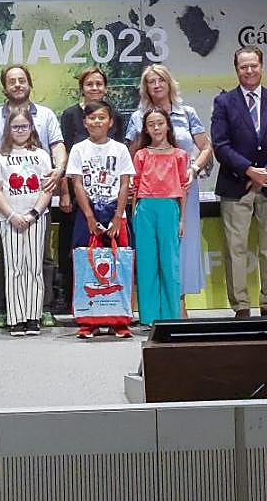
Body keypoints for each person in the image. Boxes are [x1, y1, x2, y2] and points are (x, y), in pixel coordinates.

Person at [211, 47, 267, 319]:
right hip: (236, 185)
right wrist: (249, 171)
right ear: (236, 69)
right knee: (235, 248)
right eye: (243, 67)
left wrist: (266, 172)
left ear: (262, 66)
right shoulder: (224, 103)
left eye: (253, 66)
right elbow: (221, 145)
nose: (249, 71)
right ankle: (241, 307)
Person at [0, 64, 66, 328]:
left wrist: (58, 170)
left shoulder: (46, 115)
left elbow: (58, 146)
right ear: (4, 87)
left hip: (38, 205)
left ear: (29, 83)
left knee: (42, 258)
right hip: (7, 204)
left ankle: (42, 308)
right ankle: (10, 310)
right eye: (12, 81)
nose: (17, 84)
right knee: (8, 257)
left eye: (22, 80)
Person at [125, 64, 212, 312]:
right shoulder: (138, 116)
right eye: (151, 81)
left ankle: (179, 301)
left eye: (161, 80)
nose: (156, 85)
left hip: (182, 188)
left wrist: (192, 169)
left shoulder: (187, 113)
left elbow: (206, 147)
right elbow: (131, 153)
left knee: (182, 244)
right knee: (152, 250)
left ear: (169, 83)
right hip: (151, 194)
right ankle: (155, 307)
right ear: (145, 87)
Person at [66, 100, 135, 339]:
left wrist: (118, 216)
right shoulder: (78, 149)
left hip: (116, 215)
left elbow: (125, 182)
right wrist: (88, 217)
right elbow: (76, 183)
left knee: (119, 265)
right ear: (85, 122)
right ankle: (89, 320)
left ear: (111, 121)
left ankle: (119, 320)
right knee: (87, 265)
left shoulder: (120, 149)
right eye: (92, 118)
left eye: (102, 117)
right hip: (89, 215)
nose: (97, 122)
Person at [59, 67, 127, 303]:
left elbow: (120, 162)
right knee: (79, 248)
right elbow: (64, 154)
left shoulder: (115, 115)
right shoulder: (69, 115)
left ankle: (112, 302)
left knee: (112, 249)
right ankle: (78, 303)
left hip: (110, 197)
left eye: (99, 84)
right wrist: (65, 192)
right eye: (90, 84)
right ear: (82, 88)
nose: (95, 88)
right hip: (79, 195)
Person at [0, 108, 54, 337]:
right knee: (14, 269)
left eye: (24, 126)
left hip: (35, 218)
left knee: (34, 268)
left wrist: (34, 213)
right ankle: (16, 318)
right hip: (9, 219)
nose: (20, 131)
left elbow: (47, 189)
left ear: (31, 128)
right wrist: (11, 215)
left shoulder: (41, 155)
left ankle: (33, 317)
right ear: (8, 129)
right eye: (15, 127)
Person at [131, 107, 189, 330]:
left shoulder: (179, 155)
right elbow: (135, 189)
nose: (156, 128)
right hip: (145, 208)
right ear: (146, 129)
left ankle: (171, 314)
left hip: (169, 208)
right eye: (151, 124)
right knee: (146, 263)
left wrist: (182, 219)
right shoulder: (141, 155)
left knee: (169, 262)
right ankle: (148, 316)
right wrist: (134, 213)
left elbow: (184, 188)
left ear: (167, 125)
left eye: (159, 123)